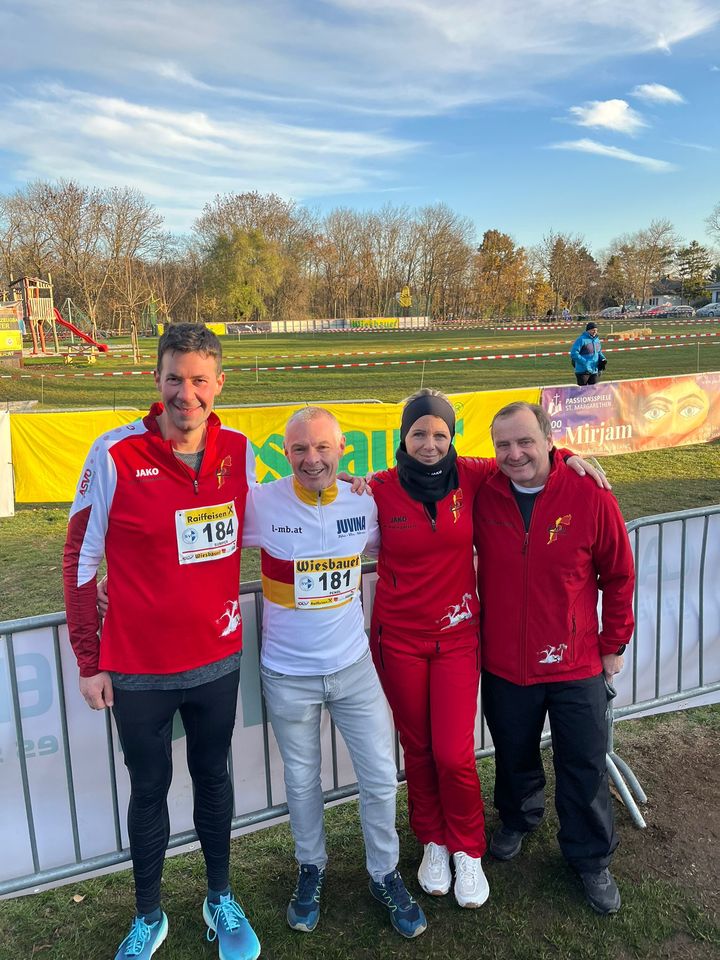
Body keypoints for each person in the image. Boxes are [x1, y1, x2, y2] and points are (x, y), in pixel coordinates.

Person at [63, 323, 261, 960]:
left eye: (200, 380)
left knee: (214, 780)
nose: (187, 393)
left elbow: (281, 511)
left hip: (216, 659)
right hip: (139, 667)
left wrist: (355, 491)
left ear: (218, 384)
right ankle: (149, 914)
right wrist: (89, 662)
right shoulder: (114, 452)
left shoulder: (238, 447)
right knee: (148, 790)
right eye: (175, 378)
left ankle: (219, 895)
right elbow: (79, 560)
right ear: (156, 380)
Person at [366, 389, 604, 910]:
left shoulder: (475, 475)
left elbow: (529, 459)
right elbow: (318, 498)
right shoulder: (377, 489)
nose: (430, 445)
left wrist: (568, 458)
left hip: (456, 640)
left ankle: (468, 849)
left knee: (453, 752)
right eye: (419, 434)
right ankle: (433, 840)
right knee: (420, 749)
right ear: (402, 439)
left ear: (453, 439)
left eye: (440, 434)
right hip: (398, 642)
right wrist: (330, 480)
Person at [242, 406, 427, 940]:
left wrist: (568, 460)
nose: (311, 459)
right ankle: (311, 867)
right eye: (299, 449)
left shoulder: (362, 501)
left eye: (322, 447)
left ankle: (383, 872)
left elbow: (410, 532)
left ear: (343, 450)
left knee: (378, 776)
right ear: (285, 452)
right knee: (302, 783)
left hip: (353, 669)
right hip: (287, 674)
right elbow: (196, 530)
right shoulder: (262, 502)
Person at [472, 401, 635, 915]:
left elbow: (620, 575)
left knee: (583, 763)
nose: (514, 454)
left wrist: (614, 644)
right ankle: (519, 819)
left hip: (576, 662)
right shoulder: (484, 490)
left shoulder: (589, 493)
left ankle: (590, 858)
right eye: (503, 445)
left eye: (525, 441)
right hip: (506, 664)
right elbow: (425, 468)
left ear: (549, 440)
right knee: (513, 753)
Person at [570, 321, 606, 386]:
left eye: (596, 330)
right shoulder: (581, 339)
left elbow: (599, 352)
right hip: (582, 371)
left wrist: (603, 359)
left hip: (594, 370)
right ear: (588, 330)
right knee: (583, 393)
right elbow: (574, 353)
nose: (595, 332)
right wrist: (585, 362)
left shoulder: (597, 340)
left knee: (594, 392)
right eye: (593, 330)